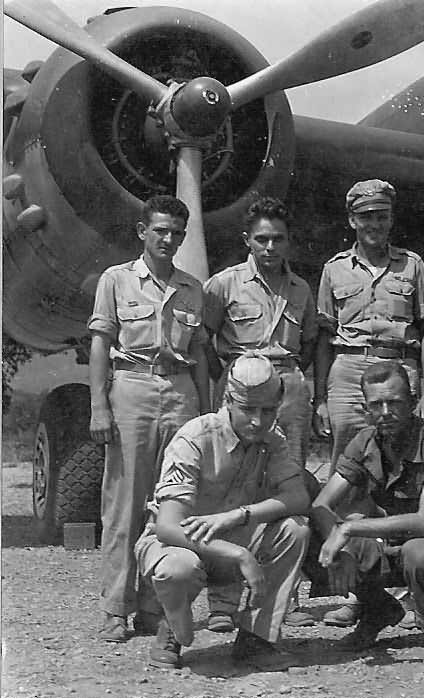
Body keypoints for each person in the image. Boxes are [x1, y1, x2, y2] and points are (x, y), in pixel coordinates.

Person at [313, 178, 424, 627]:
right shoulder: (334, 269)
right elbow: (324, 339)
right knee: (350, 478)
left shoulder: (413, 266)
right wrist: (320, 397)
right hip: (348, 373)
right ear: (352, 220)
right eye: (365, 216)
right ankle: (360, 589)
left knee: (408, 469)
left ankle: (416, 583)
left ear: (392, 219)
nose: (374, 224)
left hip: (398, 370)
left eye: (382, 216)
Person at [135, 354, 311, 670]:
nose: (258, 421)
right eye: (248, 410)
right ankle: (170, 628)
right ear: (228, 400)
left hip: (234, 536)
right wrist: (240, 555)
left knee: (295, 529)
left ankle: (257, 639)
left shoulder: (272, 439)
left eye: (268, 411)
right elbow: (168, 527)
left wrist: (240, 515)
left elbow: (298, 497)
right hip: (181, 544)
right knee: (178, 568)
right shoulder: (194, 437)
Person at [88, 195, 210, 643]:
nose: (168, 239)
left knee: (172, 503)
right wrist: (99, 406)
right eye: (160, 230)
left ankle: (153, 605)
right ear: (143, 232)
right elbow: (100, 343)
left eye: (177, 233)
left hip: (180, 392)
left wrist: (205, 413)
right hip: (132, 388)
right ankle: (115, 607)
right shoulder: (116, 280)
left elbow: (197, 352)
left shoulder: (192, 287)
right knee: (124, 503)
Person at [309, 361, 424, 665]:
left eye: (394, 402)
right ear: (366, 408)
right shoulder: (366, 442)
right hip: (390, 546)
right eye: (377, 404)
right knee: (310, 538)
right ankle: (378, 610)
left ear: (412, 401)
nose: (385, 411)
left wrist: (350, 529)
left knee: (419, 552)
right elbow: (321, 505)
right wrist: (340, 549)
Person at [202, 196, 318, 631]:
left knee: (288, 487)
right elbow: (205, 343)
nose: (270, 247)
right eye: (262, 239)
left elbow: (307, 345)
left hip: (287, 388)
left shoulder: (301, 289)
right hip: (242, 387)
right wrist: (227, 385)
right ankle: (223, 601)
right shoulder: (223, 285)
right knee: (232, 490)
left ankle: (287, 599)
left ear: (289, 242)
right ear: (247, 240)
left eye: (279, 239)